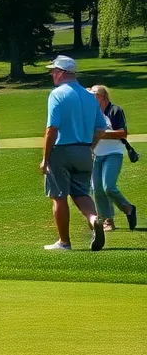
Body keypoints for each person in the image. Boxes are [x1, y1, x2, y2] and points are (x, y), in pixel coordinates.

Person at [40, 56, 106, 252]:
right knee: (81, 193)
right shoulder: (89, 96)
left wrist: (45, 158)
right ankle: (94, 219)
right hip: (84, 150)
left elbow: (52, 128)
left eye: (53, 71)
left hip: (62, 150)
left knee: (58, 196)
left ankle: (64, 242)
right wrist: (90, 146)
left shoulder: (57, 94)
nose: (52, 74)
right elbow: (101, 128)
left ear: (61, 72)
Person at [90, 85, 137, 232]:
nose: (92, 96)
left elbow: (123, 133)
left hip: (113, 153)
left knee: (108, 187)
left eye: (95, 94)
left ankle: (128, 208)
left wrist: (102, 134)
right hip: (94, 155)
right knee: (97, 190)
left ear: (103, 97)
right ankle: (107, 220)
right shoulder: (90, 112)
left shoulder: (115, 110)